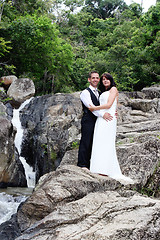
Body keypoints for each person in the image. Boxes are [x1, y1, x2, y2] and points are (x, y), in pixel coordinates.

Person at [89, 73, 134, 183]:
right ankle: (98, 168)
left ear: (111, 80)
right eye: (103, 79)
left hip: (108, 119)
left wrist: (95, 108)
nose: (105, 81)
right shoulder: (103, 91)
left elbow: (110, 105)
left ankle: (105, 169)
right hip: (102, 118)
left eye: (107, 79)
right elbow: (114, 105)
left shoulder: (113, 89)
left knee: (107, 142)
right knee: (99, 141)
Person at [77, 71, 113, 170]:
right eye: (93, 78)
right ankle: (82, 164)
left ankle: (92, 165)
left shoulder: (100, 93)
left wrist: (113, 112)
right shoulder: (85, 92)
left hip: (98, 121)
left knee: (95, 142)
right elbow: (91, 107)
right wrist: (103, 114)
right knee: (86, 141)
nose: (95, 79)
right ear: (89, 79)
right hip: (88, 120)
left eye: (97, 78)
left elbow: (104, 106)